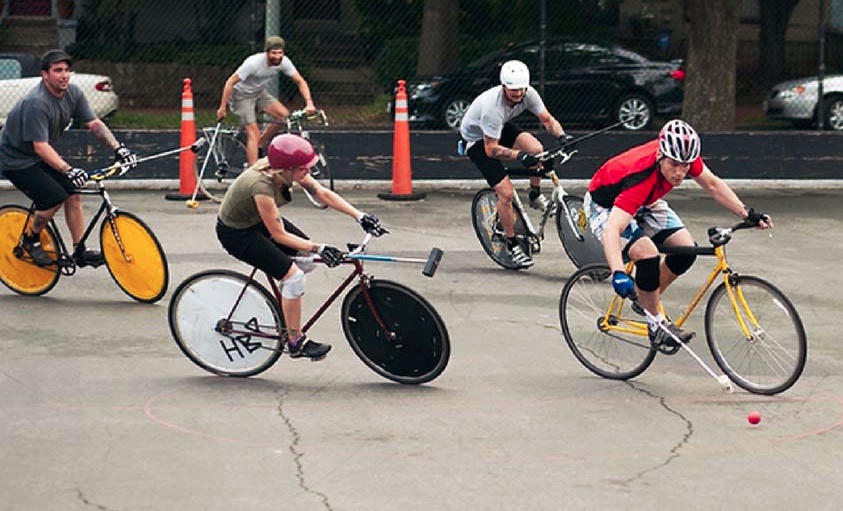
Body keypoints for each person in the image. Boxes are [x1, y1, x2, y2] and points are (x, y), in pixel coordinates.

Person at [584, 119, 773, 349]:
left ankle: (646, 300)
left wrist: (747, 213)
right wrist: (618, 272)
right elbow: (613, 229)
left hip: (647, 201)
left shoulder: (683, 156)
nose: (680, 172)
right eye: (674, 165)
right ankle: (656, 325)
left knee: (685, 250)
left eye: (685, 166)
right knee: (647, 254)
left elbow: (712, 184)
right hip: (606, 205)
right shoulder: (640, 178)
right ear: (660, 156)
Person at [215, 133, 387, 360]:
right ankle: (295, 340)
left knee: (307, 259)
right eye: (303, 170)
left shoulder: (285, 169)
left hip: (257, 221)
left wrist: (360, 216)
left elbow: (321, 193)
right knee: (294, 277)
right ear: (286, 170)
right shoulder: (261, 186)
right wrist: (321, 247)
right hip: (237, 234)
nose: (308, 173)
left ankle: (284, 291)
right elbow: (279, 235)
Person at [0, 49, 138, 268]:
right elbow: (40, 146)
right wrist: (68, 169)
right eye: (57, 71)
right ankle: (31, 239)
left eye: (66, 70)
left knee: (73, 193)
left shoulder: (73, 93)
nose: (64, 75)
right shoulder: (36, 102)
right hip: (14, 159)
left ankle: (80, 250)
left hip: (37, 155)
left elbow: (94, 123)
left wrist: (118, 148)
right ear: (45, 75)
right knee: (54, 197)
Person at [459, 59, 569, 269]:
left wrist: (563, 136)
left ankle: (535, 195)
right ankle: (511, 244)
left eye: (521, 89)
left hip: (499, 128)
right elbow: (491, 149)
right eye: (512, 90)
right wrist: (519, 156)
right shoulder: (493, 108)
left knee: (537, 151)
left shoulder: (529, 93)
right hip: (478, 141)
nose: (518, 94)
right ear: (503, 87)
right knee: (506, 194)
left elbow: (547, 120)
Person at [216, 36, 317, 166]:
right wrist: (222, 107)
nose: (277, 57)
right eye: (274, 53)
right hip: (240, 96)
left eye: (280, 53)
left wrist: (309, 103)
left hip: (259, 93)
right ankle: (253, 171)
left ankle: (260, 143)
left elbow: (300, 81)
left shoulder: (284, 62)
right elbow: (230, 81)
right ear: (267, 52)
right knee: (253, 132)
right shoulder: (253, 63)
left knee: (283, 117)